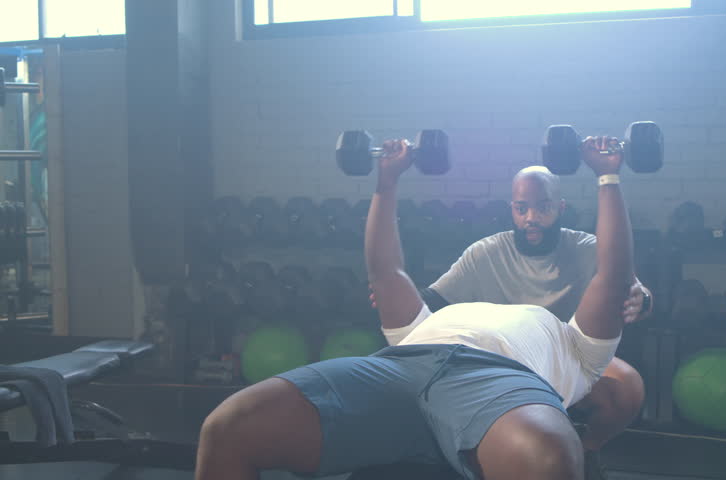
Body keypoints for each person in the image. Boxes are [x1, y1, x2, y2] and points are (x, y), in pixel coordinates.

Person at [195, 134, 636, 480]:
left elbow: (614, 277)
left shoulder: (578, 346)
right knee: (229, 427)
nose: (531, 217)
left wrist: (608, 178)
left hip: (503, 380)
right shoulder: (478, 262)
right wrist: (387, 179)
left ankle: (590, 450)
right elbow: (385, 272)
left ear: (558, 208)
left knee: (549, 457)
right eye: (523, 208)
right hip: (404, 363)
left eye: (542, 208)